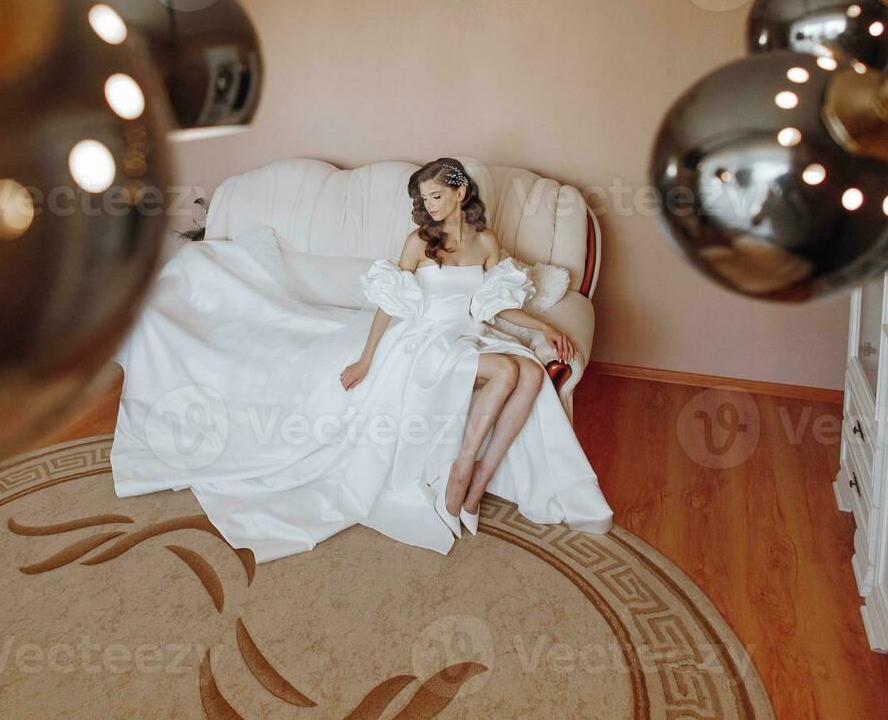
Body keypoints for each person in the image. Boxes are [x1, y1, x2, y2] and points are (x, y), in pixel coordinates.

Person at [111, 157, 611, 563]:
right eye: (422, 199)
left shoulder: (486, 243)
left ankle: (480, 476)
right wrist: (368, 359)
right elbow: (390, 303)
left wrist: (545, 328)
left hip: (467, 332)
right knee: (506, 369)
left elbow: (495, 303)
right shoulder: (419, 243)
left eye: (437, 195)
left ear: (460, 194)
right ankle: (462, 471)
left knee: (527, 372)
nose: (429, 206)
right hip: (422, 337)